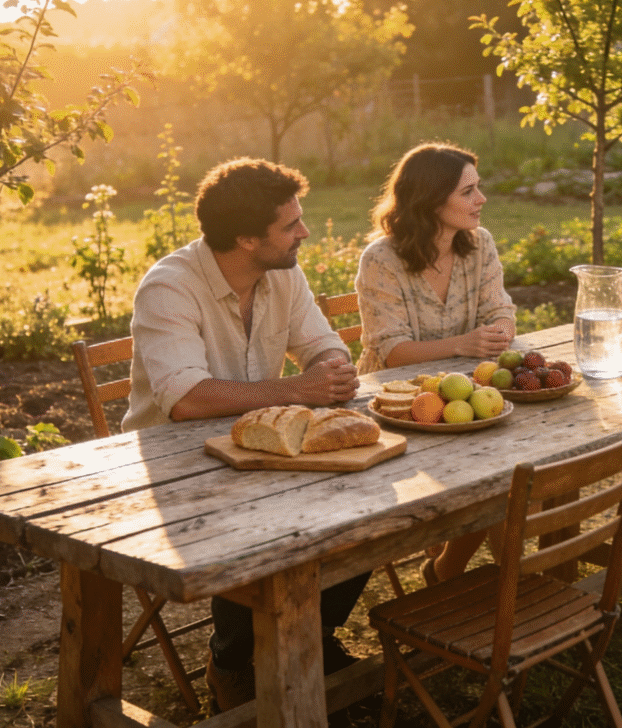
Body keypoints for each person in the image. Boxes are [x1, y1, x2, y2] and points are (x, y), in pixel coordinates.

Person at [123, 157, 369, 714]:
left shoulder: (282, 272)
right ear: (244, 238)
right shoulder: (169, 287)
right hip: (176, 468)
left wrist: (332, 367)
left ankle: (313, 635)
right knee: (260, 530)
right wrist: (300, 390)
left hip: (263, 446)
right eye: (291, 225)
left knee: (372, 504)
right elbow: (186, 399)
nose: (304, 232)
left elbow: (320, 343)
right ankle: (234, 661)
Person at [355, 141, 516, 583]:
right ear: (430, 199)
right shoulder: (382, 260)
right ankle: (453, 563)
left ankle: (448, 568)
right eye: (468, 192)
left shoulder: (478, 244)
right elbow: (391, 351)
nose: (481, 199)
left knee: (509, 471)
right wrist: (464, 344)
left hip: (462, 397)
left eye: (478, 188)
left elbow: (500, 307)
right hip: (393, 404)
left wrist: (501, 329)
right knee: (496, 477)